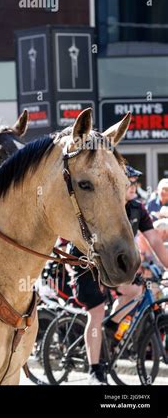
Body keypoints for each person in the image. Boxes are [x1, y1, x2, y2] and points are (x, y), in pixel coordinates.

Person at [67, 165, 168, 385]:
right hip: (87, 263)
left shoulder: (137, 209)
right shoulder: (102, 206)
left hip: (113, 266)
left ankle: (111, 326)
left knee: (137, 291)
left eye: (135, 182)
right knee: (96, 311)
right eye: (129, 182)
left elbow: (156, 242)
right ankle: (95, 371)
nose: (134, 186)